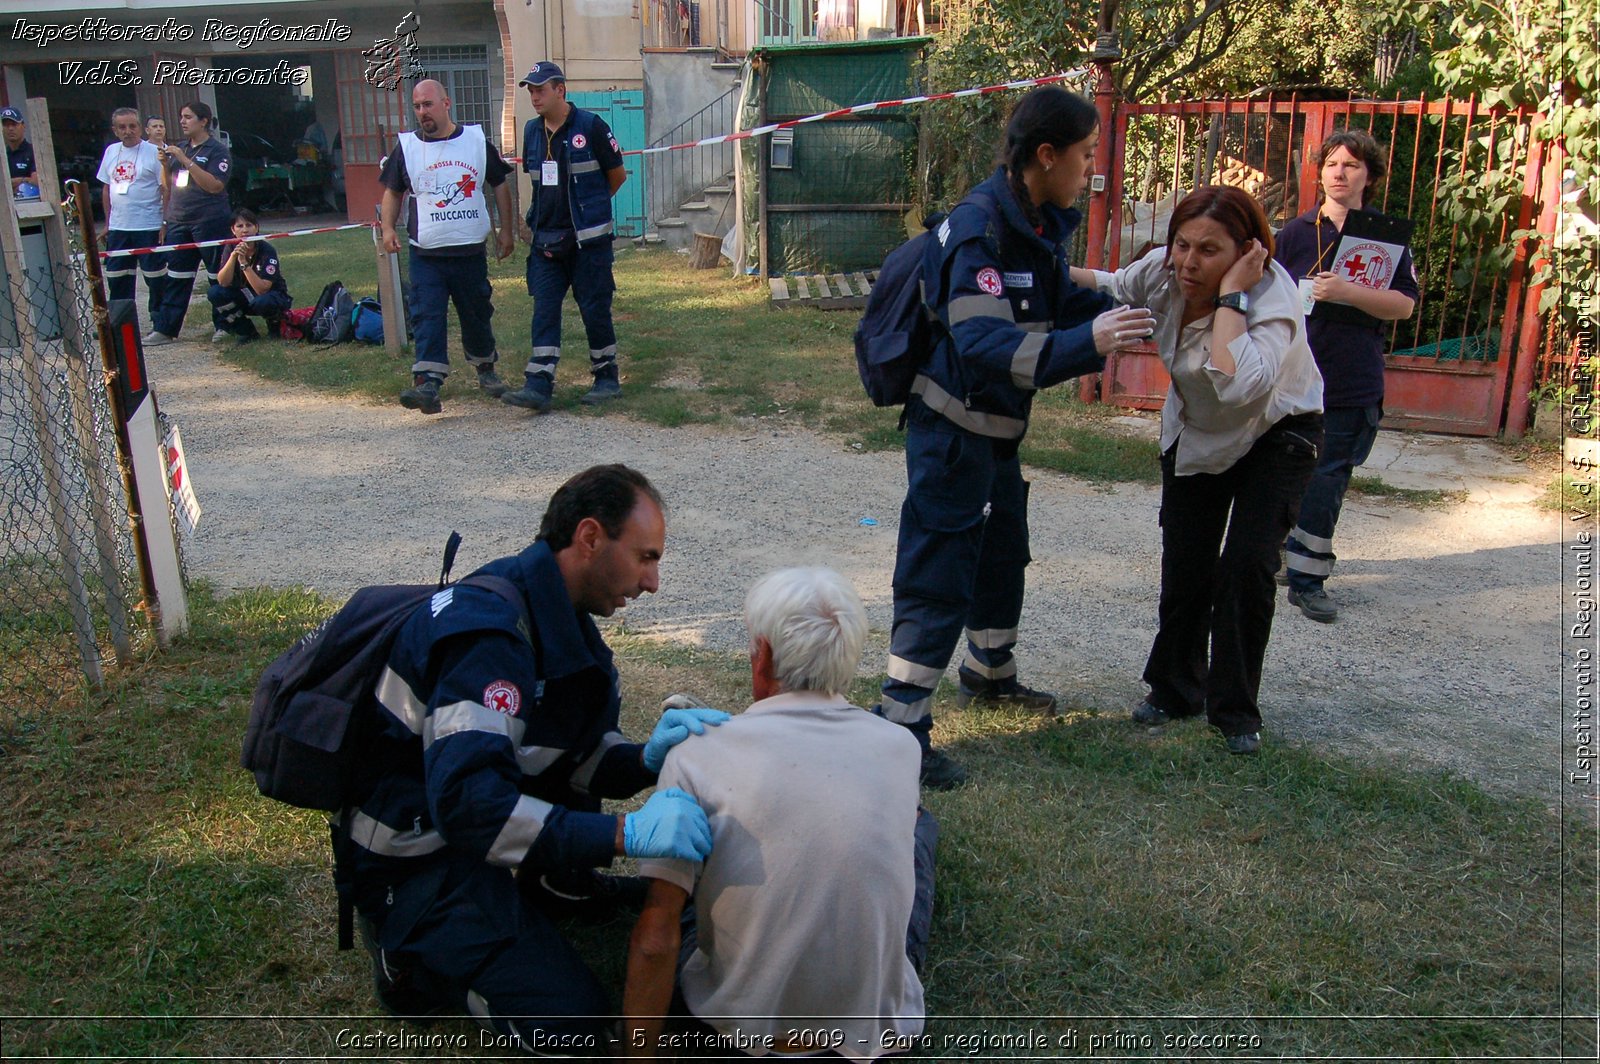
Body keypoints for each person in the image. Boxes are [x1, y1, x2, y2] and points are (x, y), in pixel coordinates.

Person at [346, 463, 728, 1050]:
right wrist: (626, 833)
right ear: (591, 537)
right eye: (646, 557)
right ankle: (408, 958)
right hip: (412, 858)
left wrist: (645, 760)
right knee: (573, 1028)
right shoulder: (491, 638)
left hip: (462, 840)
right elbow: (472, 807)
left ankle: (547, 888)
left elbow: (566, 754)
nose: (653, 582)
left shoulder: (556, 614)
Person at [876, 87, 1150, 790]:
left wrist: (1139, 300)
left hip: (994, 436)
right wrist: (1087, 342)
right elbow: (982, 342)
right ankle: (901, 729)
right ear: (1046, 155)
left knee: (1002, 554)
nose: (1093, 169)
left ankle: (989, 674)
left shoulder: (1031, 221)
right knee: (939, 573)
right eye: (1086, 154)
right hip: (952, 435)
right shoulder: (979, 231)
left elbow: (1052, 299)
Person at [623, 567, 934, 1061]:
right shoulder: (901, 749)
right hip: (874, 1038)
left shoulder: (694, 754)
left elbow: (655, 939)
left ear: (762, 655)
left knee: (685, 890)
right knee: (919, 830)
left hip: (733, 1034)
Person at [1072, 186, 1324, 756]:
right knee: (1186, 560)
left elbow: (1240, 387)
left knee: (1246, 566)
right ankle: (1174, 690)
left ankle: (1234, 711)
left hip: (1277, 430)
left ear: (1247, 252)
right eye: (1182, 244)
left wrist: (1232, 298)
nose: (1189, 261)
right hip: (1197, 431)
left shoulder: (1272, 299)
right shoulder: (1165, 273)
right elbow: (1111, 284)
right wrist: (1032, 269)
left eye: (1209, 251)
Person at [1274, 131, 1419, 623]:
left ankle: (1308, 578)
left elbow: (1403, 304)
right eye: (1332, 163)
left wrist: (1349, 291)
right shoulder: (1292, 233)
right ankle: (1274, 555)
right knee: (1279, 469)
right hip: (1293, 373)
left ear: (1370, 177)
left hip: (1350, 375)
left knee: (1328, 475)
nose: (1339, 172)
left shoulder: (1385, 236)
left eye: (1351, 166)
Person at [380, 78, 516, 415]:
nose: (422, 112)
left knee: (476, 313)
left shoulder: (475, 141)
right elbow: (393, 192)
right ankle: (428, 382)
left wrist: (506, 231)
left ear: (446, 103)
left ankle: (486, 369)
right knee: (427, 315)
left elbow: (499, 184)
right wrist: (386, 228)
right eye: (416, 106)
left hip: (469, 252)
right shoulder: (408, 147)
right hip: (426, 255)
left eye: (427, 104)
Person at [501, 62, 629, 413]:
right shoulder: (531, 131)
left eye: (541, 89)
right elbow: (537, 181)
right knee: (544, 310)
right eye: (530, 89)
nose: (534, 96)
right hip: (546, 241)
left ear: (561, 90)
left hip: (588, 242)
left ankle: (606, 377)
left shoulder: (590, 127)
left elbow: (616, 176)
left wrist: (591, 210)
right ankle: (538, 385)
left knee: (594, 308)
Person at [145, 101, 232, 346]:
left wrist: (185, 160)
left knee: (217, 275)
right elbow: (169, 184)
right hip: (179, 221)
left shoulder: (217, 151)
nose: (182, 122)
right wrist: (165, 164)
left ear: (203, 121)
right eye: (181, 117)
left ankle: (225, 325)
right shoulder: (180, 148)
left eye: (188, 117)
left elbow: (215, 185)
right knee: (177, 276)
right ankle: (166, 329)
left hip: (209, 220)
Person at [96, 107, 166, 309]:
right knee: (117, 277)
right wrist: (108, 223)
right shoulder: (111, 151)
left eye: (132, 126)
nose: (128, 131)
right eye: (122, 127)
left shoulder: (154, 152)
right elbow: (106, 188)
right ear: (115, 130)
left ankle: (159, 321)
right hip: (119, 228)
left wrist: (164, 221)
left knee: (155, 277)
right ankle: (121, 323)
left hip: (148, 225)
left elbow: (165, 189)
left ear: (140, 128)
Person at [207, 208, 291, 341]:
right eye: (239, 226)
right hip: (245, 294)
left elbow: (263, 289)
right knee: (215, 293)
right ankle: (246, 331)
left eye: (249, 225)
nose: (245, 230)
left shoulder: (267, 250)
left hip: (271, 295)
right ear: (233, 230)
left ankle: (275, 328)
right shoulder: (230, 248)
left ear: (256, 228)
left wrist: (244, 264)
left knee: (264, 301)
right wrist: (233, 257)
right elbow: (223, 282)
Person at [3, 106, 39, 193]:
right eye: (6, 125)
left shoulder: (34, 151)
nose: (10, 128)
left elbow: (38, 182)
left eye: (14, 124)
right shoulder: (3, 155)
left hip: (31, 203)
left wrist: (20, 181)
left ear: (23, 126)